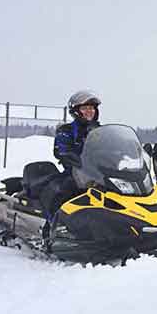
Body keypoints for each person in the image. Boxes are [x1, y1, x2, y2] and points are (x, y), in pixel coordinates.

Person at [39, 90, 101, 226]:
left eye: (91, 108)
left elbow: (113, 148)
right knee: (62, 190)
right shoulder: (66, 130)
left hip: (101, 175)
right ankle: (52, 227)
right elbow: (61, 150)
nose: (89, 111)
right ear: (76, 111)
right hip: (77, 173)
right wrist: (73, 157)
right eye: (85, 108)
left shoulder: (101, 131)